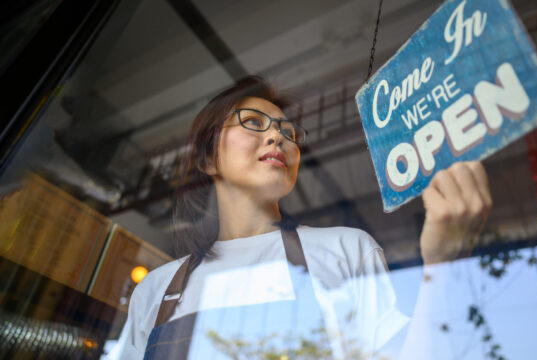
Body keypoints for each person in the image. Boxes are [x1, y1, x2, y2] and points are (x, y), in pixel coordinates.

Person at [109, 76, 492, 360]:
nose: (278, 138)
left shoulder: (346, 248)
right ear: (209, 159)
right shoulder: (156, 289)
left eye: (286, 131)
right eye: (254, 123)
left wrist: (442, 266)